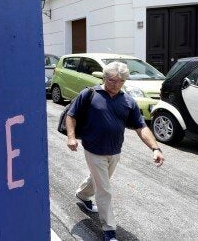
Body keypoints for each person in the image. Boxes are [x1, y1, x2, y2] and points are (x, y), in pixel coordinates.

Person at [65, 61, 164, 241]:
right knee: (105, 189)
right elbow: (71, 115)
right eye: (111, 80)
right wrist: (71, 137)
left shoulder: (128, 101)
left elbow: (141, 127)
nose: (115, 84)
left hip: (114, 151)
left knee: (98, 179)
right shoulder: (90, 94)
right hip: (93, 149)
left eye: (120, 81)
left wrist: (155, 148)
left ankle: (82, 194)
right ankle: (109, 230)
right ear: (104, 77)